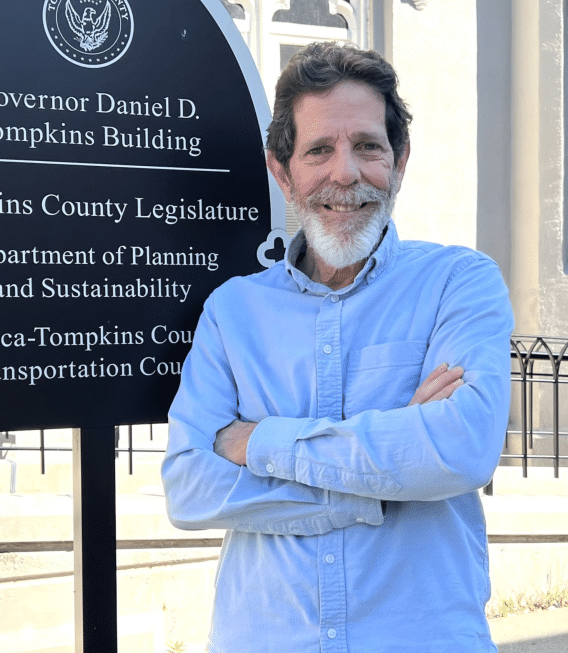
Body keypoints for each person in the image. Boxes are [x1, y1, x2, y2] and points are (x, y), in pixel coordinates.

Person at [161, 42, 513, 652]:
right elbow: (190, 488)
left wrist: (260, 441)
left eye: (368, 146)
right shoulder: (233, 311)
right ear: (283, 171)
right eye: (320, 149)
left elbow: (462, 449)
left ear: (399, 160)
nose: (345, 173)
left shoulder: (459, 282)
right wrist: (390, 467)